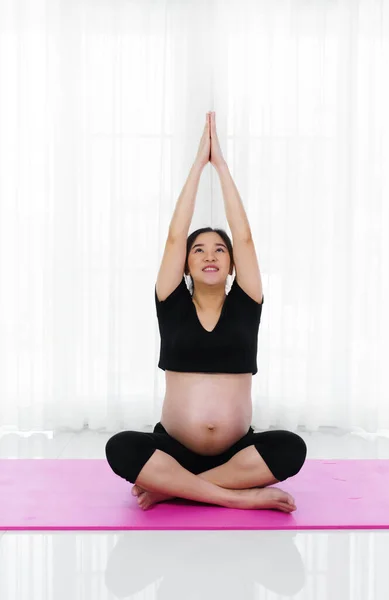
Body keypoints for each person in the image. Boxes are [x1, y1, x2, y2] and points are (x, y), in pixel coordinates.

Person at [105, 112, 307, 511]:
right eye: (199, 250)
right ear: (185, 264)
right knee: (120, 448)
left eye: (220, 250)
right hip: (173, 449)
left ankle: (176, 489)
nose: (210, 255)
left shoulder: (247, 303)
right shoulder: (171, 300)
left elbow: (245, 237)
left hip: (237, 453)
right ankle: (237, 499)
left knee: (291, 448)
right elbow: (174, 235)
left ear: (232, 265)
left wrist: (223, 168)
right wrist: (199, 165)